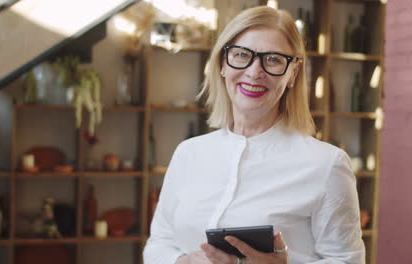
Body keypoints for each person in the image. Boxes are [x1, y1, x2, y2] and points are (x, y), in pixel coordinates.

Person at [144, 6, 364, 264]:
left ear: (293, 73)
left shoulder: (327, 164)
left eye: (273, 59)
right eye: (241, 55)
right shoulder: (188, 153)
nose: (254, 72)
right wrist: (185, 261)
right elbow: (158, 244)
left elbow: (347, 260)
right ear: (222, 64)